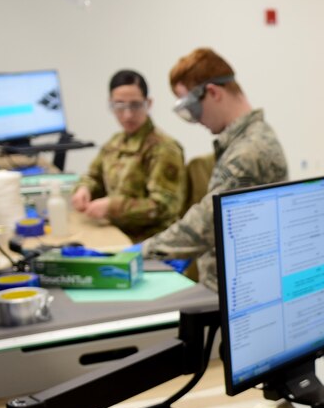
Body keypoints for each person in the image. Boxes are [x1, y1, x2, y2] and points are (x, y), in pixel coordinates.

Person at [136, 48, 288, 290]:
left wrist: (137, 253)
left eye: (192, 109)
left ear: (213, 93)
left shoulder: (247, 151)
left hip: (235, 295)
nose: (196, 120)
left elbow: (205, 224)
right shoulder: (252, 137)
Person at [71, 69, 186, 242]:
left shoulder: (164, 148)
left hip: (152, 242)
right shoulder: (115, 143)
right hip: (116, 234)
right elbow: (94, 177)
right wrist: (84, 189)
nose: (127, 114)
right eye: (119, 106)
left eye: (135, 105)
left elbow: (164, 206)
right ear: (110, 104)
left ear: (149, 103)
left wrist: (112, 207)